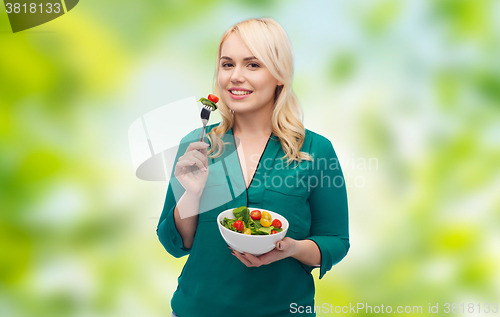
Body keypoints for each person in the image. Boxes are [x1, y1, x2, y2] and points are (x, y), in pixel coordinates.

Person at [157, 18, 349, 317]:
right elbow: (175, 243)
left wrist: (292, 249)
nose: (235, 76)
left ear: (279, 76)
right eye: (227, 64)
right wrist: (191, 195)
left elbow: (335, 241)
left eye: (253, 65)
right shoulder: (197, 146)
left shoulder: (314, 150)